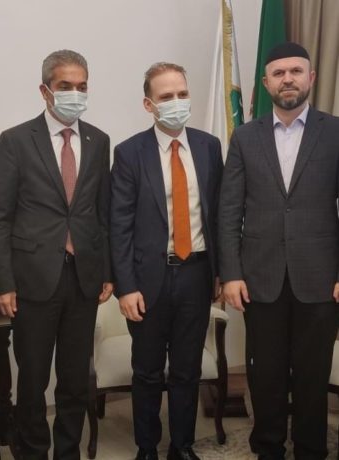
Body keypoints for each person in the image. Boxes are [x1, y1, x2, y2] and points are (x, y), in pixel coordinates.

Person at [0, 49, 112, 460]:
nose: (75, 94)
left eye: (82, 86)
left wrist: (106, 270)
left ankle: (68, 452)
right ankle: (32, 452)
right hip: (33, 279)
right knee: (33, 381)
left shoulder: (98, 141)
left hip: (83, 278)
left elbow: (101, 212)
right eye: (65, 86)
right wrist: (3, 282)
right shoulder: (15, 140)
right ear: (45, 91)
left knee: (74, 381)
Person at [219, 42, 339, 460]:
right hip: (260, 278)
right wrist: (231, 273)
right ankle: (267, 449)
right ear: (266, 82)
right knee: (265, 375)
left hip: (320, 279)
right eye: (279, 73)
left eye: (296, 71)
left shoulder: (335, 132)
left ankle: (310, 450)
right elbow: (229, 210)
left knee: (312, 375)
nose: (288, 79)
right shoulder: (245, 137)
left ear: (311, 78)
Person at [110, 62, 223, 460]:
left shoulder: (209, 147)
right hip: (147, 280)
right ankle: (147, 447)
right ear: (149, 104)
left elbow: (219, 216)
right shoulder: (129, 153)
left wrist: (222, 273)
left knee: (187, 369)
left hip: (197, 274)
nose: (177, 102)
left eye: (182, 94)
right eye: (166, 97)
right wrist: (125, 287)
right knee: (147, 370)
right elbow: (119, 225)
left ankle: (182, 445)